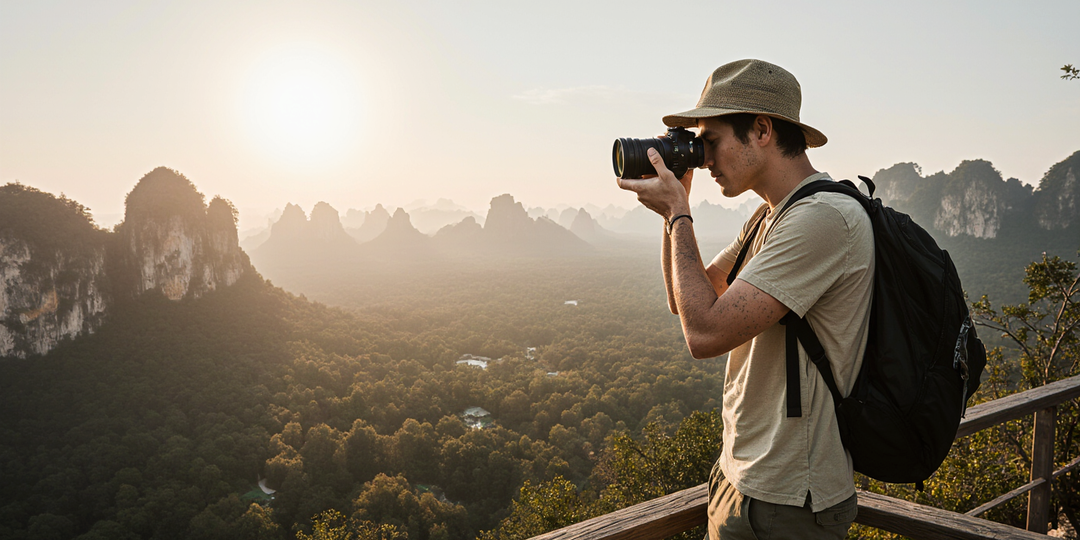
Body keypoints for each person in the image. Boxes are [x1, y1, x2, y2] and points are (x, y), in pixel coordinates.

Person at [617, 59, 873, 539]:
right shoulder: (770, 216)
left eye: (710, 142)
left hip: (789, 498)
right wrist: (670, 213)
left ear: (761, 130)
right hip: (741, 479)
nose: (704, 158)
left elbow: (704, 333)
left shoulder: (822, 218)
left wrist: (679, 214)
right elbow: (688, 299)